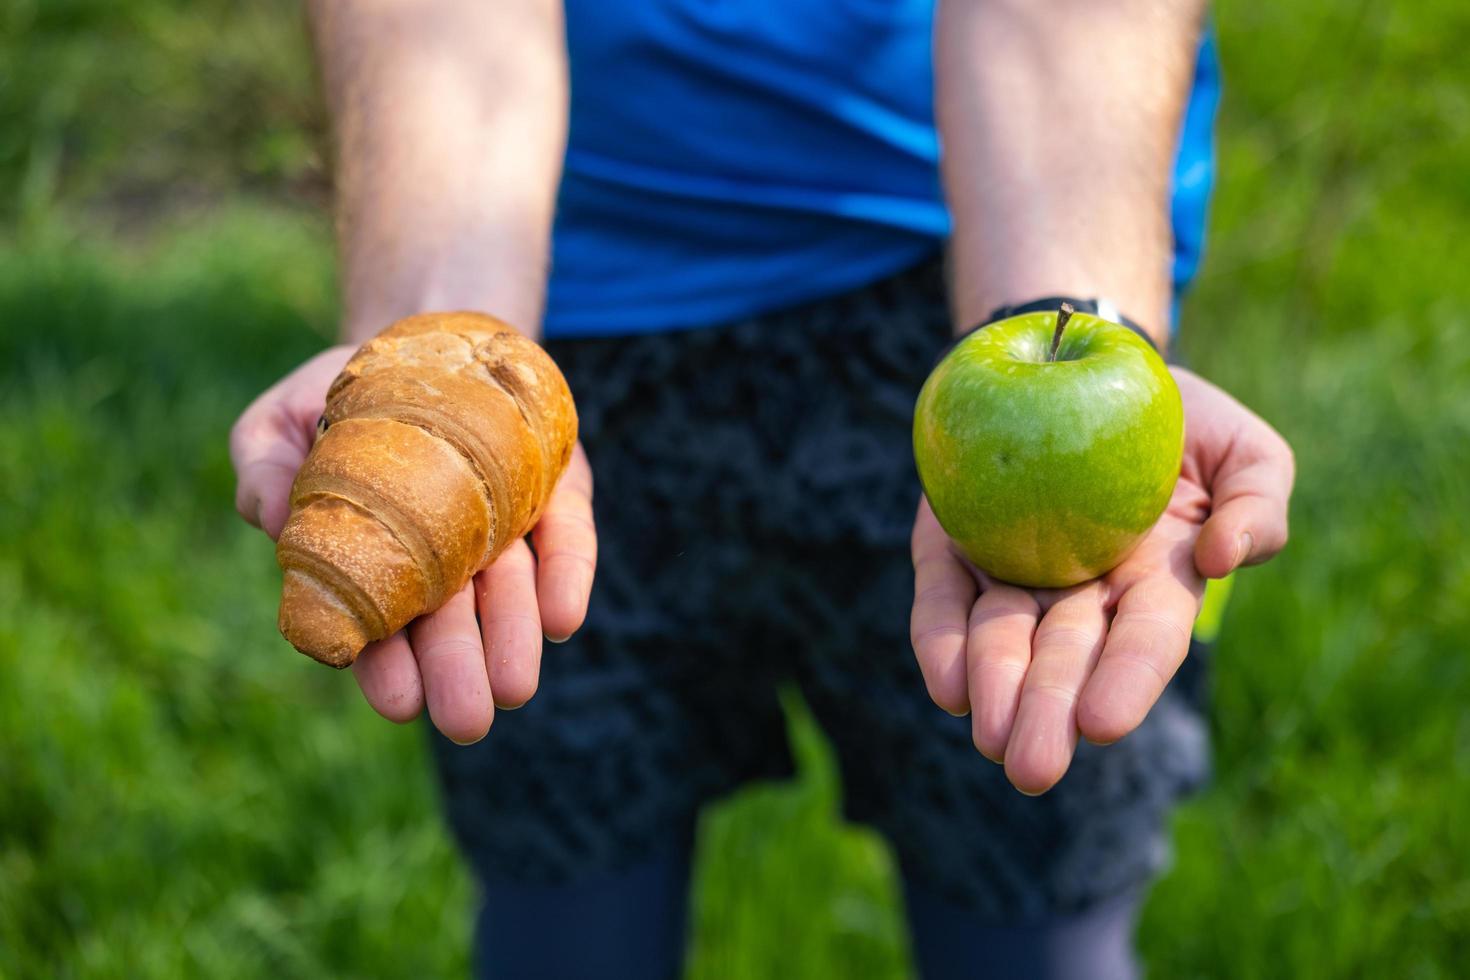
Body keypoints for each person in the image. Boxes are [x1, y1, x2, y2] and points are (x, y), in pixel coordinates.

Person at [229, 1, 1295, 977]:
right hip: (555, 322)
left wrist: (1073, 298)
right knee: (566, 898)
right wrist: (444, 351)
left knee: (1031, 899)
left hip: (966, 305)